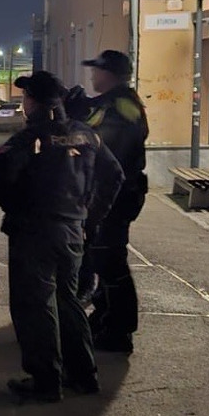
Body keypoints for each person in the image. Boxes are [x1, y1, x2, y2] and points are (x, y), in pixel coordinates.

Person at [0, 71, 124, 402]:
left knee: (36, 305)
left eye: (25, 98)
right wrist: (89, 216)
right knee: (68, 300)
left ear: (32, 101)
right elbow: (115, 175)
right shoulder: (86, 135)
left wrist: (20, 208)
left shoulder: (30, 138)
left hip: (35, 232)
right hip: (73, 230)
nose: (24, 103)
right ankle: (84, 374)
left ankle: (46, 381)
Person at [79, 50, 150, 354]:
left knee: (111, 261)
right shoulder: (111, 103)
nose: (92, 76)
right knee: (100, 258)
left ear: (110, 74)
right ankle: (105, 317)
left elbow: (111, 156)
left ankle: (119, 331)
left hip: (115, 197)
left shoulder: (121, 106)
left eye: (97, 71)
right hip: (106, 195)